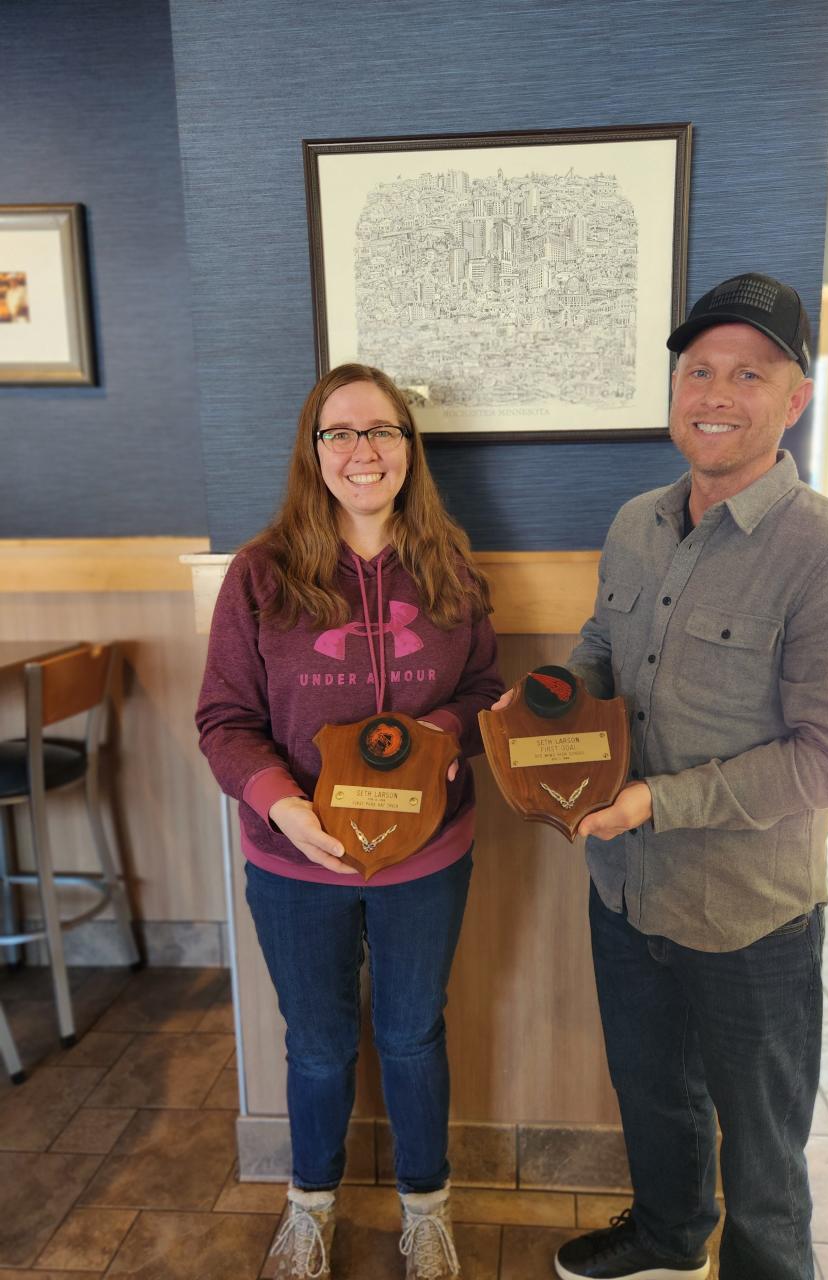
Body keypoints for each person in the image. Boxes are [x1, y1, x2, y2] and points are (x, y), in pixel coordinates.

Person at [515, 273, 828, 1280]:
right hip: (624, 884)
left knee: (765, 1150)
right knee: (651, 1091)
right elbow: (604, 638)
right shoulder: (639, 520)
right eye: (698, 370)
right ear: (676, 387)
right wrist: (561, 693)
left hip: (750, 914)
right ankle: (667, 1233)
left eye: (748, 371)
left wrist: (658, 799)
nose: (716, 391)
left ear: (794, 399)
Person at [196, 363, 503, 1280]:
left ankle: (427, 1209)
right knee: (320, 1042)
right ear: (313, 450)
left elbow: (485, 689)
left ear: (409, 449)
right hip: (294, 863)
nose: (363, 452)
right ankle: (310, 1207)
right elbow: (224, 721)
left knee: (414, 1032)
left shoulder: (450, 564)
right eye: (341, 433)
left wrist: (445, 734)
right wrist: (283, 807)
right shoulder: (260, 575)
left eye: (383, 432)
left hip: (428, 855)